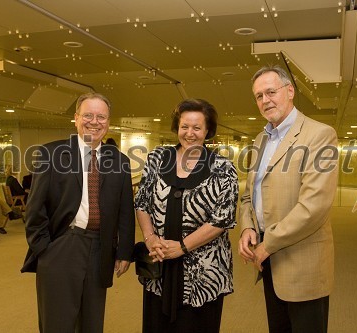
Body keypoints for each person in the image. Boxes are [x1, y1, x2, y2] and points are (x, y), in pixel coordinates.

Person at [21, 92, 135, 333]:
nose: (94, 121)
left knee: (92, 323)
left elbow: (125, 211)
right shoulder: (51, 153)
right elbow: (35, 208)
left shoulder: (120, 161)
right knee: (57, 323)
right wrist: (44, 250)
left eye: (101, 116)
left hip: (100, 249)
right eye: (88, 115)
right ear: (76, 118)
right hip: (62, 245)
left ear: (109, 121)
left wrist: (124, 251)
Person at [238, 65, 338, 333]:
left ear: (290, 91)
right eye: (258, 96)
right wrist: (247, 226)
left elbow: (313, 207)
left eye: (271, 92)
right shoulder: (260, 139)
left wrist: (266, 244)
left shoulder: (319, 135)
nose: (265, 100)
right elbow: (249, 194)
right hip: (270, 264)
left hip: (303, 265)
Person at [134, 98, 238, 333]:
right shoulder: (157, 158)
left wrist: (181, 247)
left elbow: (222, 218)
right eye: (184, 126)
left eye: (197, 127)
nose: (189, 133)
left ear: (208, 130)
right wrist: (150, 239)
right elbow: (142, 203)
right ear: (177, 127)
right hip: (159, 267)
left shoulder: (222, 167)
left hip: (203, 274)